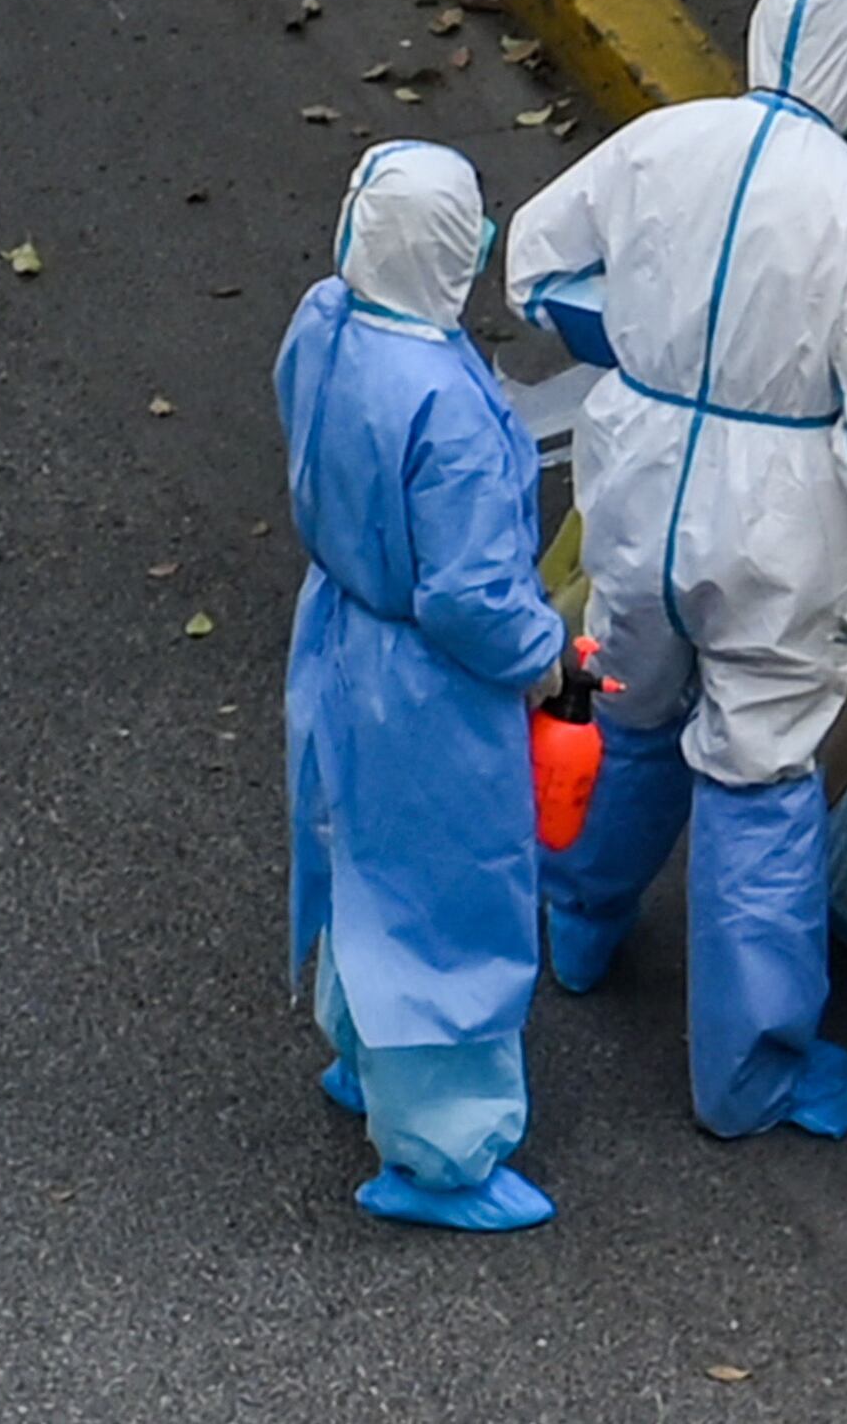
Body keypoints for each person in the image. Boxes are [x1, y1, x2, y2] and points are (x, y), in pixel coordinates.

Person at [510, 0, 847, 1139]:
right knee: (757, 773)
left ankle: (581, 928)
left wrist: (649, 350)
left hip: (638, 482)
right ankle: (747, 1074)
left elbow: (533, 266)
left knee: (630, 713)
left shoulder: (662, 141)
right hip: (779, 514)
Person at [277, 140, 568, 1231]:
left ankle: (360, 1054)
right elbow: (469, 596)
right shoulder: (443, 402)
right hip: (426, 686)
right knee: (443, 905)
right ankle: (440, 1151)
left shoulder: (324, 322)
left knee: (356, 860)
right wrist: (544, 656)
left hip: (340, 633)